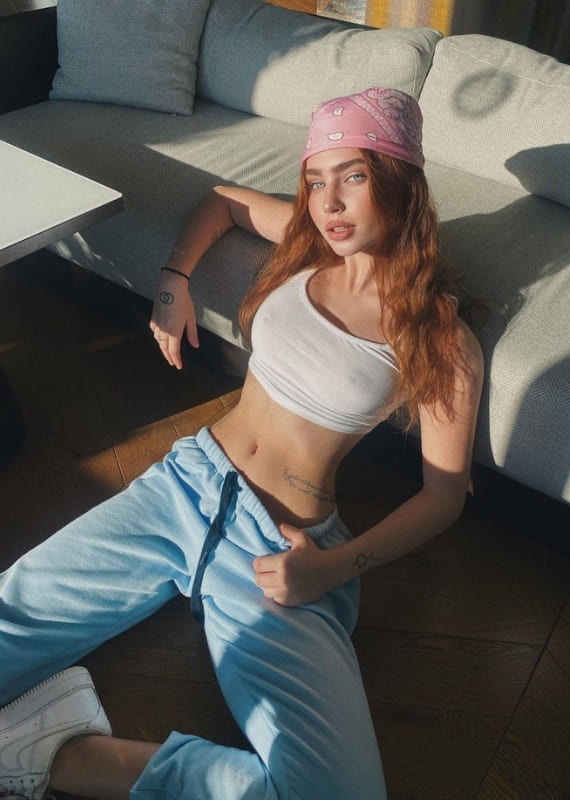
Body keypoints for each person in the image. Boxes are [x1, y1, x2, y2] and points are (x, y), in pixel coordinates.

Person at [0, 87, 483, 800]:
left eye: (352, 176)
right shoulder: (309, 240)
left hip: (281, 550)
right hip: (182, 488)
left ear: (400, 180)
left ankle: (58, 754)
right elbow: (223, 201)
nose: (328, 203)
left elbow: (443, 496)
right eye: (315, 181)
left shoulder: (440, 336)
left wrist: (331, 569)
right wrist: (174, 280)